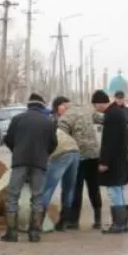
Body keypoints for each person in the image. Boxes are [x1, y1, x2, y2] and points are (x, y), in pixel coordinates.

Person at [1, 93, 57, 243]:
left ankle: (12, 233)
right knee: (38, 197)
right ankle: (34, 233)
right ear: (42, 105)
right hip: (39, 164)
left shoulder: (18, 119)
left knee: (13, 196)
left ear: (28, 105)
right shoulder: (47, 122)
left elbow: (8, 139)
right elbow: (53, 144)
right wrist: (44, 154)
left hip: (19, 162)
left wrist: (17, 150)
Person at [60, 95, 104, 229]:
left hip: (78, 156)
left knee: (76, 189)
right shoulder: (87, 111)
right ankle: (98, 219)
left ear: (63, 106)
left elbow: (60, 137)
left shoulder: (66, 117)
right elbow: (103, 119)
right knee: (94, 188)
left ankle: (74, 221)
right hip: (94, 155)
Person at [95, 89, 128, 233]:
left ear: (100, 103)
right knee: (121, 190)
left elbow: (108, 141)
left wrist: (104, 162)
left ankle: (117, 224)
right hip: (120, 158)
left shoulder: (111, 116)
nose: (96, 108)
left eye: (95, 105)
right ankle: (123, 223)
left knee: (114, 191)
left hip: (113, 161)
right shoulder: (119, 113)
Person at [44, 96, 83, 230]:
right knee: (64, 187)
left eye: (67, 106)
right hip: (70, 152)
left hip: (67, 152)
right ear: (56, 107)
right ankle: (62, 221)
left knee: (53, 187)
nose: (66, 109)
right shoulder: (52, 119)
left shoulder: (67, 119)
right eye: (63, 106)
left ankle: (41, 221)